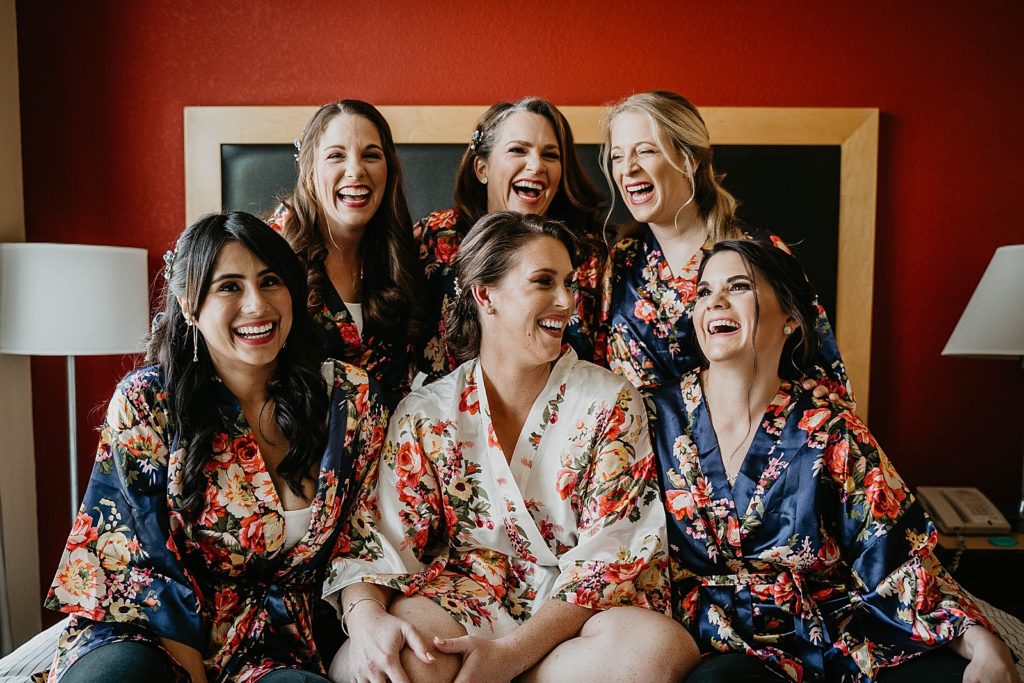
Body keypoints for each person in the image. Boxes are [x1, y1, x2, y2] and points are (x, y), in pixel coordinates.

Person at [325, 212, 699, 683]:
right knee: (393, 660)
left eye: (569, 283)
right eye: (544, 282)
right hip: (466, 599)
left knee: (655, 653)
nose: (566, 301)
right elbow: (376, 540)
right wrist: (366, 623)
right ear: (485, 294)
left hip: (575, 619)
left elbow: (610, 557)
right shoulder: (427, 413)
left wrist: (509, 657)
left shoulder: (610, 402)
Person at [45, 212, 389, 682]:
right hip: (146, 632)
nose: (256, 305)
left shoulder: (349, 400)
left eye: (270, 281)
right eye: (229, 286)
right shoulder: (147, 401)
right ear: (189, 305)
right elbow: (142, 565)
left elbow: (363, 533)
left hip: (274, 646)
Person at [664, 239, 1017, 682]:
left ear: (790, 317)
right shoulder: (652, 419)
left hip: (830, 636)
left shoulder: (831, 428)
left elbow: (896, 557)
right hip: (713, 645)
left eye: (738, 287)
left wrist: (984, 643)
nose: (714, 300)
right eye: (702, 292)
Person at [596, 90, 848, 399]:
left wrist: (819, 390)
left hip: (738, 442)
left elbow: (822, 374)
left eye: (645, 151)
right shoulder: (613, 264)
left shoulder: (760, 253)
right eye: (617, 156)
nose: (628, 168)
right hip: (635, 443)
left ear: (689, 160)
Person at [415, 97, 606, 382]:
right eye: (518, 150)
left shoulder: (588, 255)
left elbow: (603, 362)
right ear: (482, 168)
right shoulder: (436, 237)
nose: (536, 165)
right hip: (449, 415)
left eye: (550, 155)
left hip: (562, 416)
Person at [274, 99, 430, 409]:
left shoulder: (406, 253)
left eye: (371, 155)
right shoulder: (271, 254)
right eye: (335, 156)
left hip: (387, 448)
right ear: (309, 171)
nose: (356, 170)